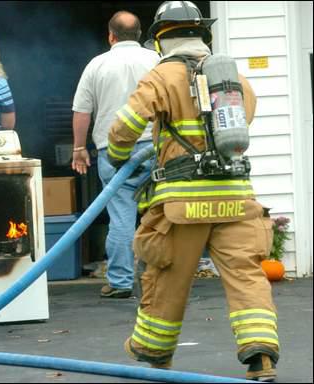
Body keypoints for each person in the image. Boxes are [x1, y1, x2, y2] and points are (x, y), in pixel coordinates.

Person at [107, 2, 279, 381]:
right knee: (246, 276)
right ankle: (261, 358)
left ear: (160, 38)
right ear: (203, 34)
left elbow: (124, 128)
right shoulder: (232, 77)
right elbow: (245, 116)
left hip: (183, 205)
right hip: (236, 199)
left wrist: (120, 159)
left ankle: (156, 358)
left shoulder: (161, 76)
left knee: (166, 276)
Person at [71, 11, 159, 299]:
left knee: (121, 216)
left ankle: (121, 282)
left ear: (111, 35)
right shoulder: (156, 61)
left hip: (114, 152)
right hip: (156, 147)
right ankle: (160, 277)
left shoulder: (97, 65)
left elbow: (82, 110)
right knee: (160, 214)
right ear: (139, 33)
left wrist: (79, 148)